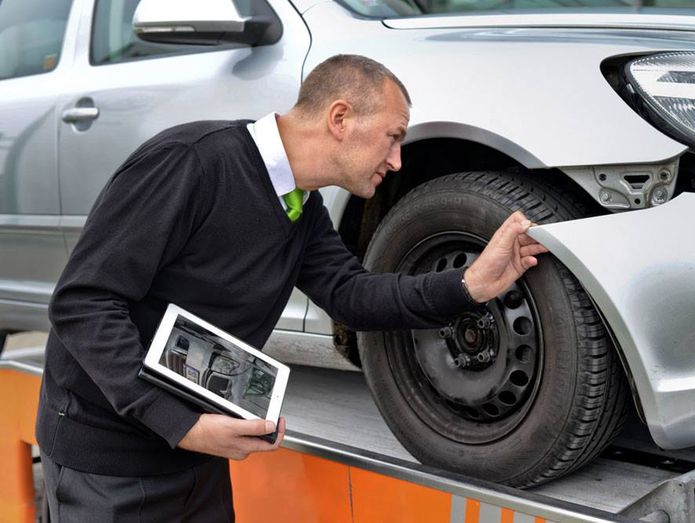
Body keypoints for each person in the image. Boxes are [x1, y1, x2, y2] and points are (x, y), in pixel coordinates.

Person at [36, 54, 547, 522]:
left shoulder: (300, 208)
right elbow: (85, 303)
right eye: (393, 137)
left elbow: (353, 296)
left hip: (196, 450)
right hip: (109, 463)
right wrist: (180, 424)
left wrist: (470, 285)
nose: (397, 161)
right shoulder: (190, 162)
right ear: (340, 118)